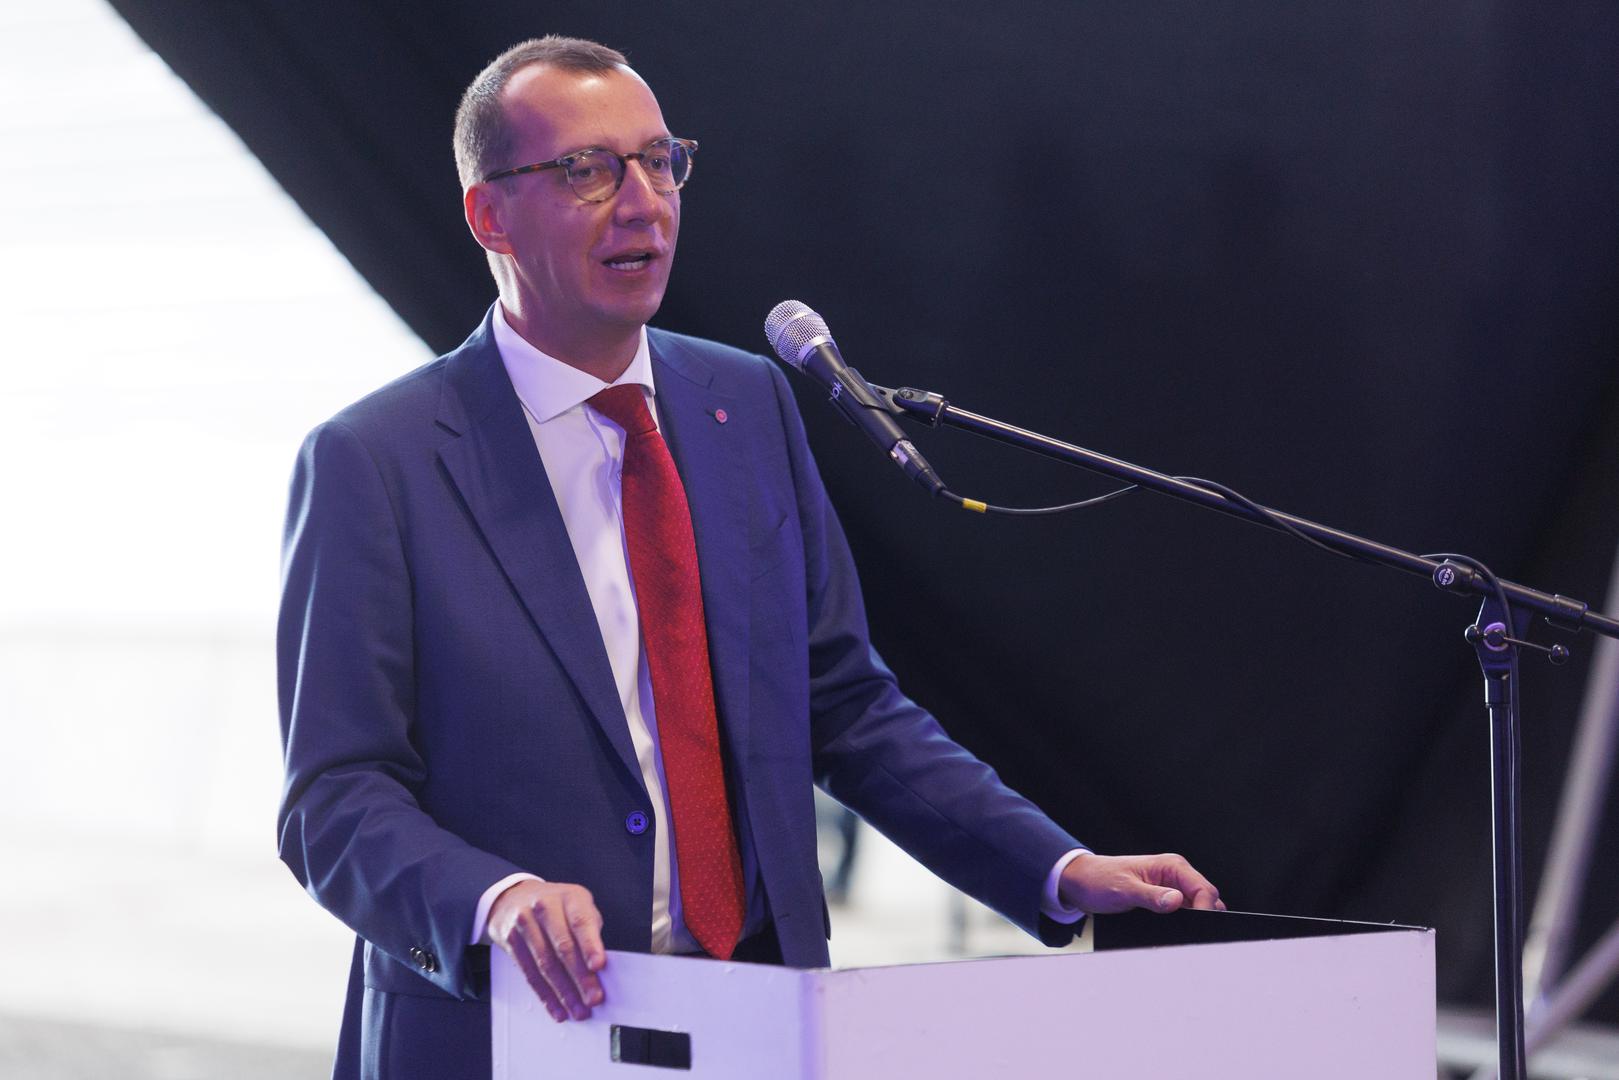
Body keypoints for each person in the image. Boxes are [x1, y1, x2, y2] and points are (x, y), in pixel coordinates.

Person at [276, 35, 1222, 1079]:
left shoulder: (744, 404)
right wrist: (491, 900)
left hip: (758, 1020)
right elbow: (334, 796)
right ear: (489, 215)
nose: (643, 203)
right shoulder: (378, 461)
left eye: (659, 161)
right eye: (588, 170)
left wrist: (1058, 865)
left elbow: (844, 707)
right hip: (507, 1031)